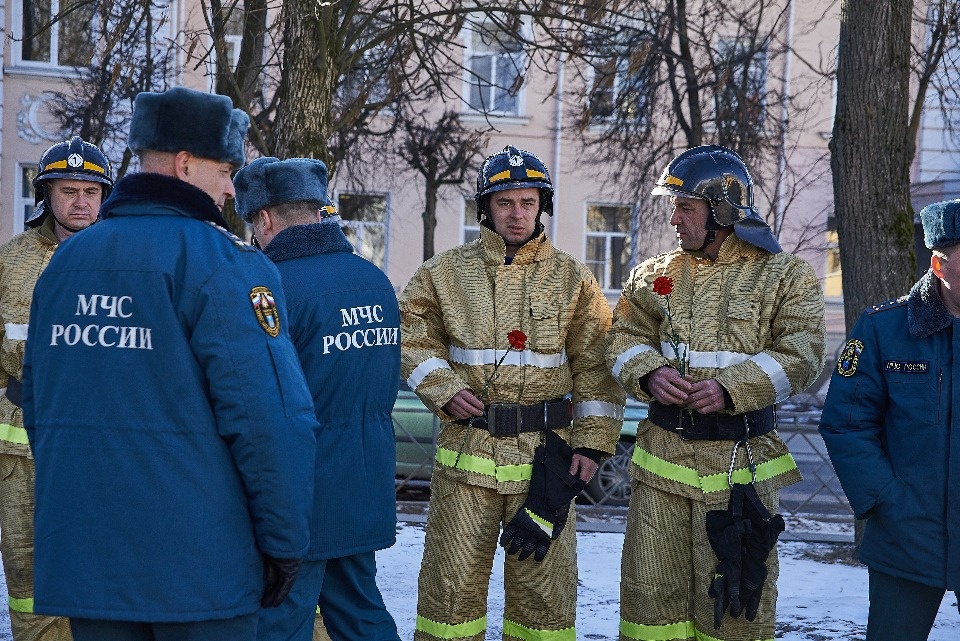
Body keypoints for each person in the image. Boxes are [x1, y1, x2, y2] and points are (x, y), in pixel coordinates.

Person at [21, 87, 317, 641]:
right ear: (185, 164)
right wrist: (284, 543)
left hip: (91, 559)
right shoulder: (225, 263)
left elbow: (39, 405)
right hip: (201, 568)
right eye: (227, 170)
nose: (233, 187)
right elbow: (270, 422)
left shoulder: (67, 262)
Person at [399, 144, 625, 641]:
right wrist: (441, 386)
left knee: (544, 599)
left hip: (545, 462)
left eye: (527, 202)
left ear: (541, 205)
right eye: (505, 203)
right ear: (486, 209)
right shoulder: (445, 273)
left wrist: (592, 443)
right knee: (449, 594)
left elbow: (596, 364)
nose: (517, 214)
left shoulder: (572, 278)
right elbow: (410, 333)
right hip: (466, 461)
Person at [607, 144, 825, 641]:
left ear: (722, 209)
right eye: (673, 207)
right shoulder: (654, 275)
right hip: (661, 467)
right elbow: (620, 339)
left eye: (685, 207)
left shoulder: (784, 275)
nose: (673, 218)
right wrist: (648, 373)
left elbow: (804, 354)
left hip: (740, 472)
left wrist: (731, 390)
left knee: (735, 609)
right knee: (649, 605)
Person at [233, 156, 402, 641]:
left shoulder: (273, 287)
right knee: (361, 614)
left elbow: (262, 399)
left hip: (299, 493)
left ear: (265, 218)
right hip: (362, 481)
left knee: (279, 621)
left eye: (253, 226)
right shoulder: (372, 280)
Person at [819, 199, 960, 641]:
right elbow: (847, 423)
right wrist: (885, 500)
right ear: (939, 265)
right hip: (907, 538)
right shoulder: (884, 329)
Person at [0, 135, 113, 641]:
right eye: (69, 190)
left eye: (91, 191)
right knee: (26, 574)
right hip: (19, 454)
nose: (81, 202)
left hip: (103, 448)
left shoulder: (126, 255)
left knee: (101, 567)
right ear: (46, 194)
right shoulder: (11, 263)